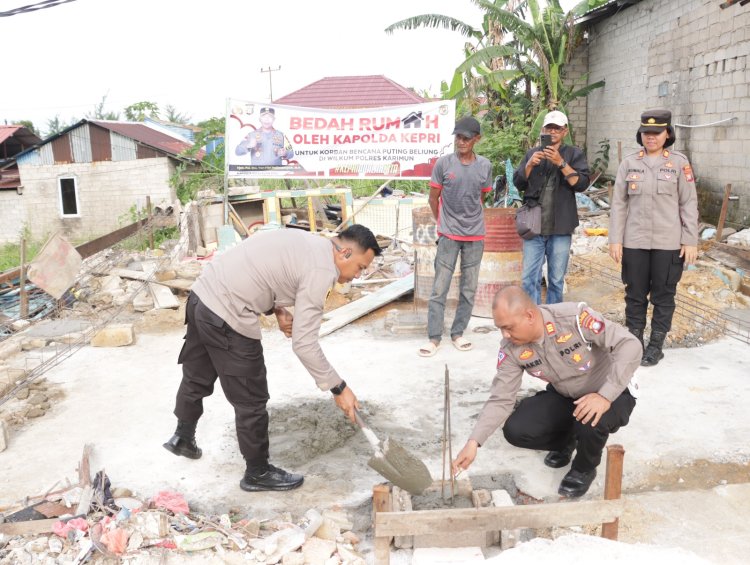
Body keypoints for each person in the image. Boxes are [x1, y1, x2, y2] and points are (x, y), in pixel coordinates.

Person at [163, 225, 381, 492]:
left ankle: (183, 437)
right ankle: (257, 471)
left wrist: (277, 309)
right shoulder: (322, 271)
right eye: (360, 267)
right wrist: (339, 387)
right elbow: (304, 344)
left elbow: (259, 268)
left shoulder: (308, 241)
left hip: (202, 298)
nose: (358, 276)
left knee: (198, 375)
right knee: (250, 397)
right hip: (229, 311)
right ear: (345, 253)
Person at [452, 286, 641, 498]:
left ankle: (583, 468)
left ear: (529, 316)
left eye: (509, 327)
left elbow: (630, 344)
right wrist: (473, 442)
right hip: (566, 395)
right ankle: (569, 441)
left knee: (591, 421)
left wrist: (605, 395)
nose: (505, 334)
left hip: (611, 391)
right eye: (500, 328)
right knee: (517, 429)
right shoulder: (511, 348)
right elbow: (501, 398)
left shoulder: (573, 318)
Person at [609, 109, 699, 366]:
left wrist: (690, 240)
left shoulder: (679, 163)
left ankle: (655, 346)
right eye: (646, 133)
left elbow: (688, 203)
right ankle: (634, 344)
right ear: (640, 134)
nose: (651, 137)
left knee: (663, 295)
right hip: (634, 242)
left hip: (668, 243)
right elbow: (619, 204)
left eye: (656, 132)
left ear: (667, 134)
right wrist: (615, 239)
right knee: (635, 294)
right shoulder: (629, 163)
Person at [418, 116, 494, 357]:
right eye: (457, 137)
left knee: (468, 289)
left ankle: (458, 333)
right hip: (449, 235)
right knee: (439, 287)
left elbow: (481, 198)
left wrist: (469, 219)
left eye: (466, 138)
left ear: (476, 139)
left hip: (475, 236)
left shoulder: (484, 166)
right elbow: (433, 198)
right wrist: (442, 222)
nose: (460, 142)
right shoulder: (444, 164)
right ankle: (434, 337)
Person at [513, 110, 590, 305]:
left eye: (557, 129)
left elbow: (581, 184)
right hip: (534, 227)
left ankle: (554, 320)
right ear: (543, 130)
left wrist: (561, 162)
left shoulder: (574, 154)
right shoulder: (533, 153)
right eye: (549, 128)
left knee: (556, 280)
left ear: (565, 132)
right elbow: (518, 183)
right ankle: (534, 320)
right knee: (529, 278)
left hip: (560, 227)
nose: (552, 132)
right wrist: (529, 164)